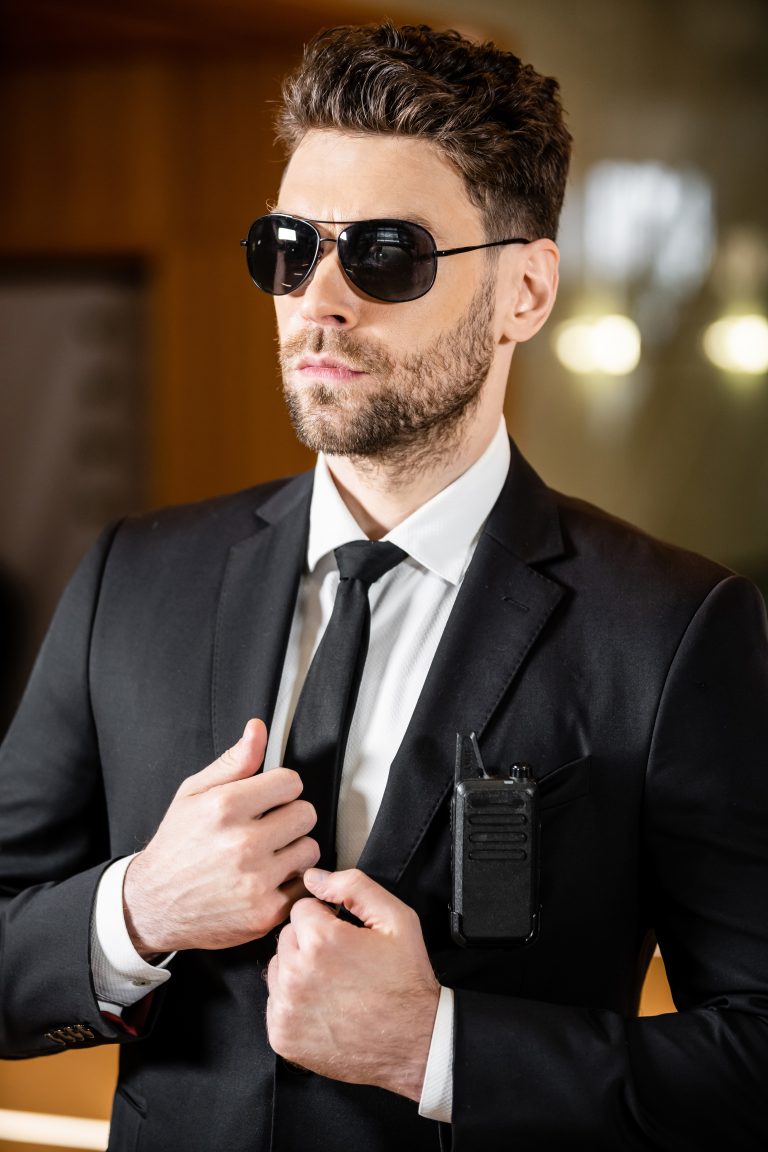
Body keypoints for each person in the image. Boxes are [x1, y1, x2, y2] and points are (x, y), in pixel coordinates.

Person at [1, 20, 767, 1152]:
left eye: (387, 253)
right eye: (289, 248)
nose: (321, 299)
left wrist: (435, 1047)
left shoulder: (671, 630)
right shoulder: (133, 579)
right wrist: (138, 911)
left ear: (525, 293)